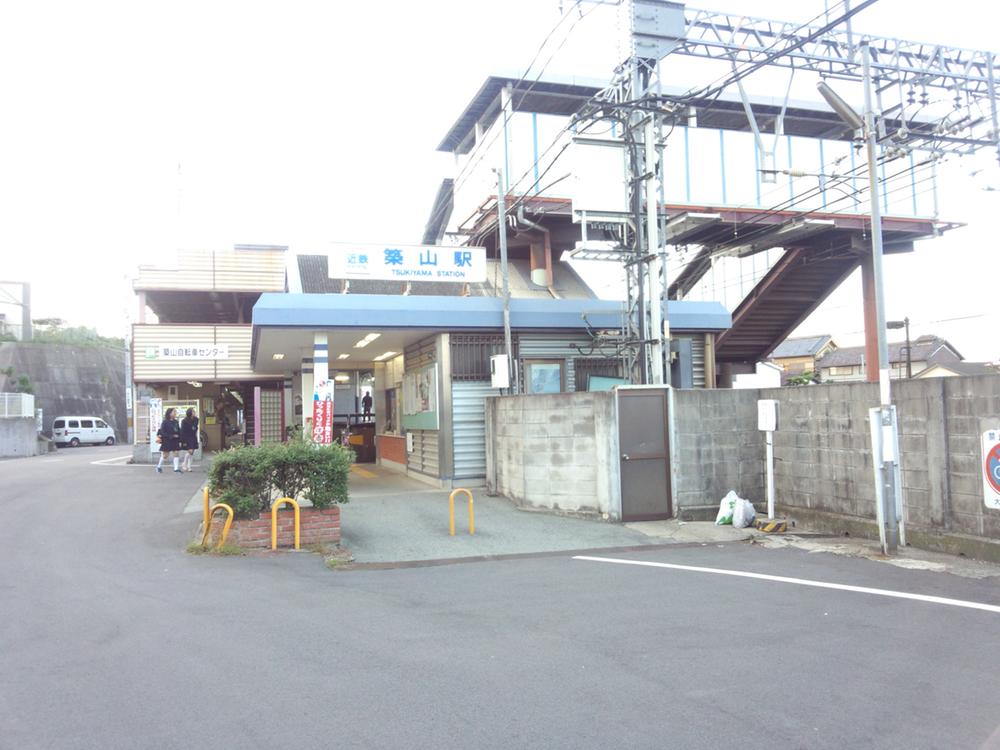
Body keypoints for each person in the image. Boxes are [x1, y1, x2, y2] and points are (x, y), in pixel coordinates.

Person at [156, 408, 183, 474]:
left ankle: (176, 469)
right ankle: (158, 466)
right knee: (165, 455)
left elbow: (178, 430)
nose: (175, 413)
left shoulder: (176, 421)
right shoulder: (165, 422)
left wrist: (180, 438)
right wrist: (172, 436)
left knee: (176, 453)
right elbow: (162, 432)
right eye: (174, 412)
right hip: (167, 440)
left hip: (175, 440)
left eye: (175, 412)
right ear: (169, 413)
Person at [180, 407, 199, 472]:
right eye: (193, 411)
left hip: (193, 436)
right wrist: (183, 440)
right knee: (190, 451)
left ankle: (189, 466)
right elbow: (182, 431)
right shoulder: (184, 421)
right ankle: (184, 463)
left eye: (194, 411)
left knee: (192, 452)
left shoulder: (196, 419)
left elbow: (195, 427)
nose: (194, 412)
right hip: (187, 437)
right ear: (190, 413)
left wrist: (194, 429)